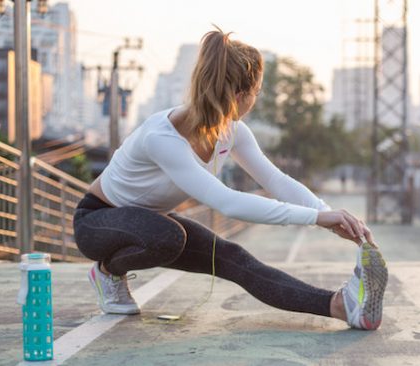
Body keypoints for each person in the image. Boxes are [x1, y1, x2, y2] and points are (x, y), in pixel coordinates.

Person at [72, 28, 388, 330]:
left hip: (152, 221)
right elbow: (228, 202)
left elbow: (276, 180)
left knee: (232, 258)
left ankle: (341, 306)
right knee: (168, 236)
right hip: (97, 222)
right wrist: (316, 218)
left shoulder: (232, 132)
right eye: (257, 92)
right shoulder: (162, 138)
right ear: (240, 95)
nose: (256, 100)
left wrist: (332, 217)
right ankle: (107, 272)